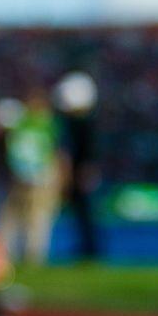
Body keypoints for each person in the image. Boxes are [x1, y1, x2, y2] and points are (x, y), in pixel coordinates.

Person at [0, 90, 62, 268]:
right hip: (40, 178)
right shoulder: (48, 125)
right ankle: (32, 257)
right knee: (36, 220)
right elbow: (55, 153)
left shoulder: (20, 124)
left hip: (22, 176)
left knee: (14, 218)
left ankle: (7, 253)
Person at [54, 71, 101, 261]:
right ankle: (87, 247)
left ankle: (89, 248)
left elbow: (84, 153)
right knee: (81, 212)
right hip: (78, 171)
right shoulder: (79, 123)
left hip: (79, 172)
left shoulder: (83, 125)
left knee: (84, 212)